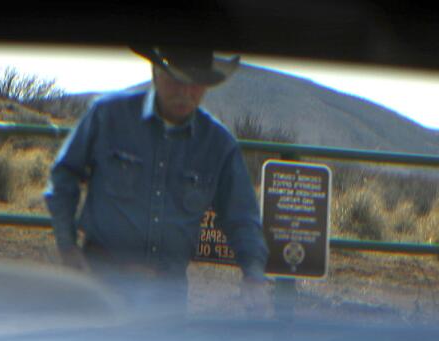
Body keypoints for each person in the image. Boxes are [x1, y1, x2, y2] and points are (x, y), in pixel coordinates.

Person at [44, 46, 270, 309]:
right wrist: (67, 245)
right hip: (100, 282)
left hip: (167, 294)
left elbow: (242, 216)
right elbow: (63, 175)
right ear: (155, 72)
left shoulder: (219, 146)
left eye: (196, 83)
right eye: (176, 79)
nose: (186, 92)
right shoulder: (107, 116)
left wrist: (253, 274)